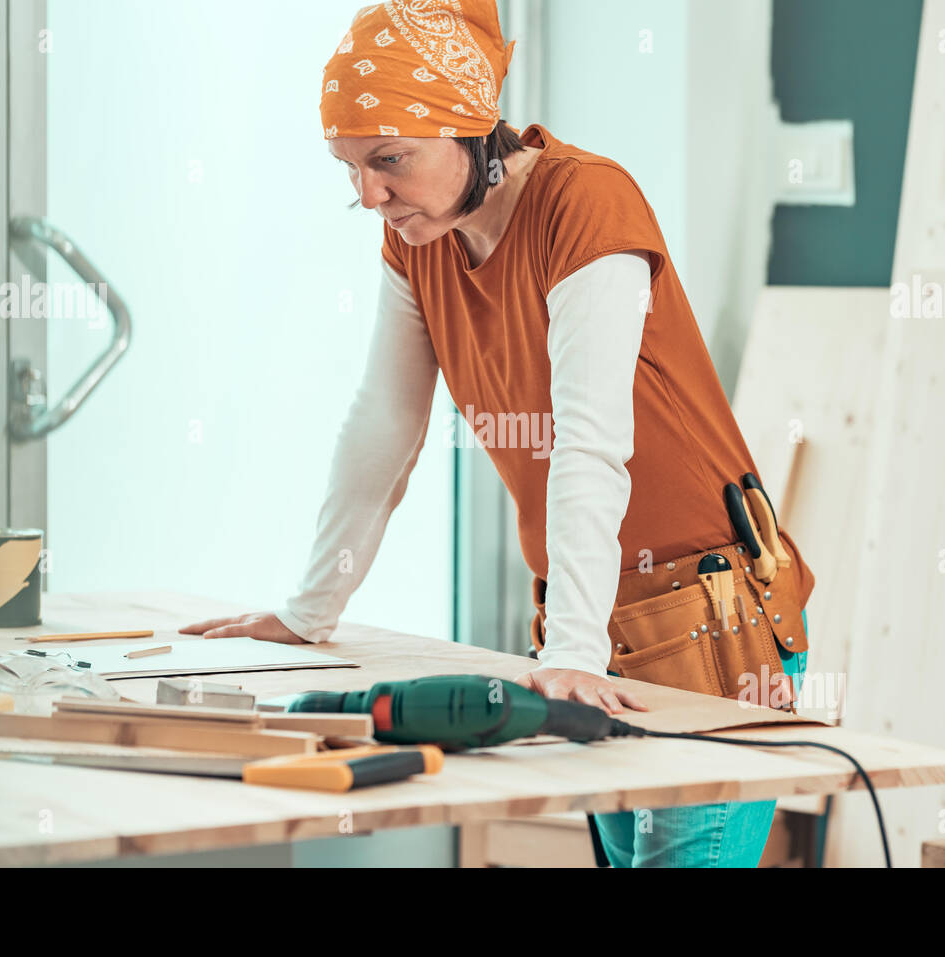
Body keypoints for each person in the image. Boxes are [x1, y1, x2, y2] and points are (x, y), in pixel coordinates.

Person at [181, 0, 815, 868]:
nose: (371, 195)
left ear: (470, 127)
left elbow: (590, 440)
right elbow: (385, 421)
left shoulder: (584, 203)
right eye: (351, 168)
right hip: (592, 614)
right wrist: (310, 610)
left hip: (707, 615)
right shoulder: (419, 243)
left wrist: (576, 650)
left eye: (390, 160)